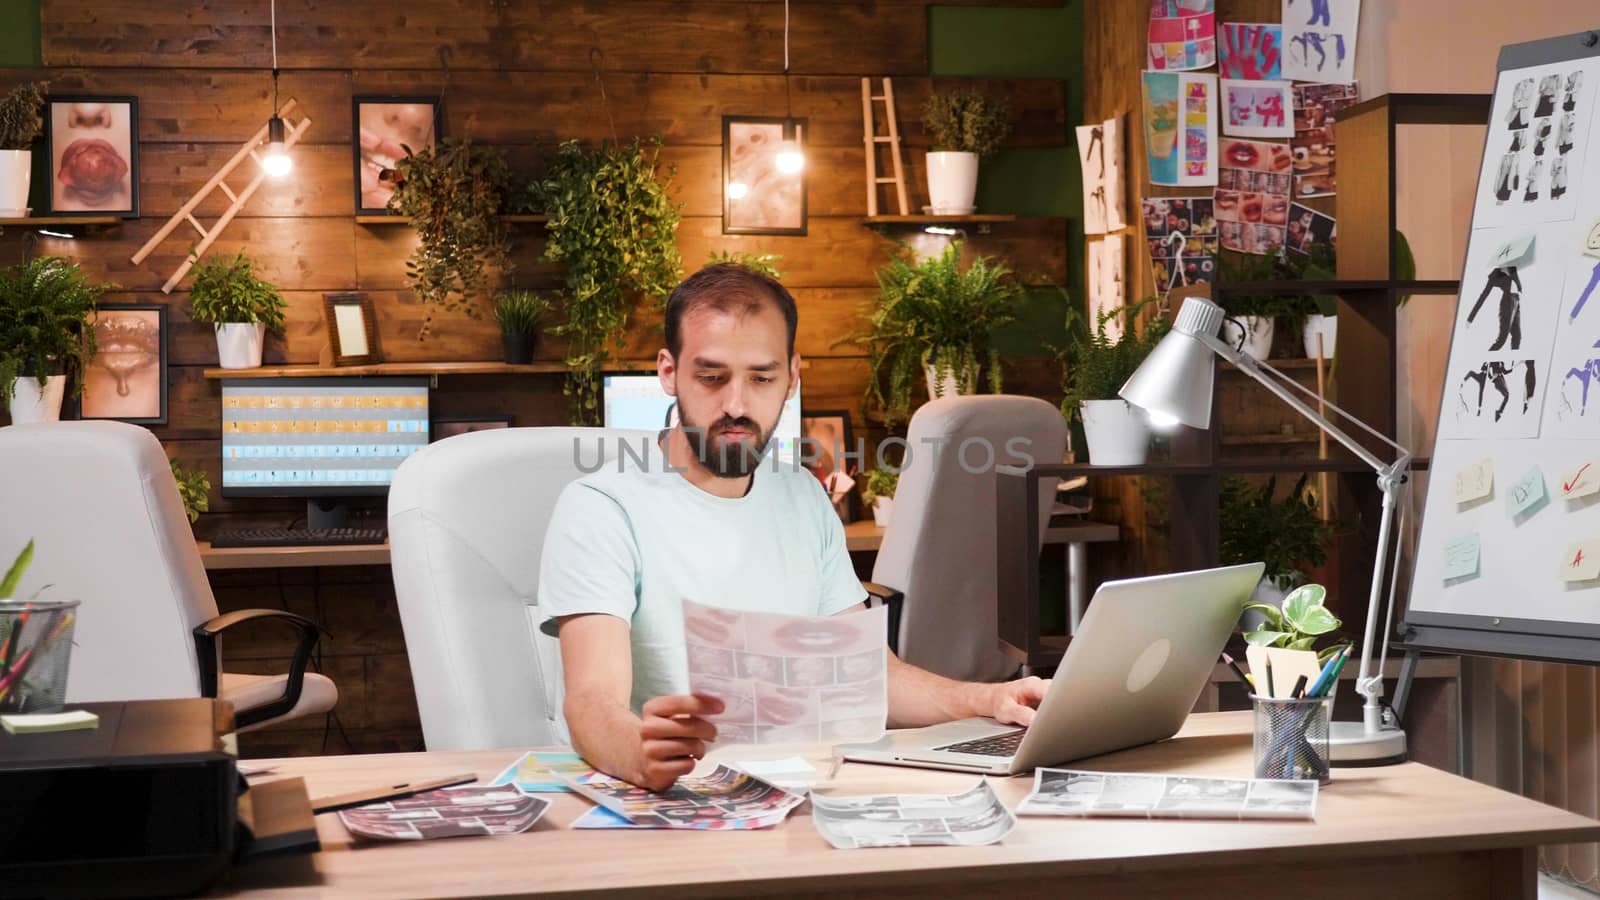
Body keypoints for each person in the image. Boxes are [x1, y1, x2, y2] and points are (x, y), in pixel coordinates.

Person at [540, 264, 1049, 791]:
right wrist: (637, 750)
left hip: (797, 795)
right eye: (711, 377)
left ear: (792, 376)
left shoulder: (803, 495)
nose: (736, 405)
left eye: (761, 378)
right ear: (668, 372)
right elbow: (591, 701)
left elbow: (872, 677)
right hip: (677, 797)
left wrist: (988, 699)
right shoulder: (601, 507)